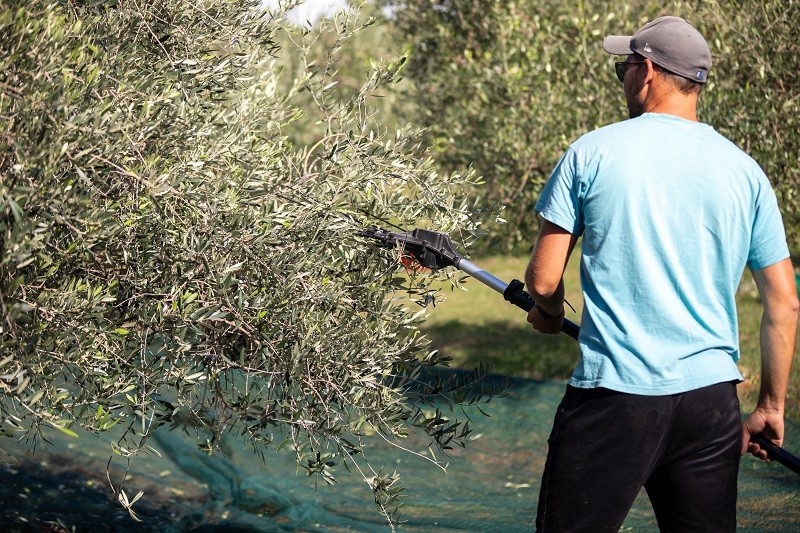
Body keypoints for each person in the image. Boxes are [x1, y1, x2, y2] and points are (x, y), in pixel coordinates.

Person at [524, 16, 798, 532]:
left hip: (616, 400)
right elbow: (784, 303)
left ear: (646, 70)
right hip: (710, 404)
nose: (624, 77)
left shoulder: (592, 152)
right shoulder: (746, 171)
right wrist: (770, 406)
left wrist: (550, 312)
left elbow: (542, 281)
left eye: (625, 65)